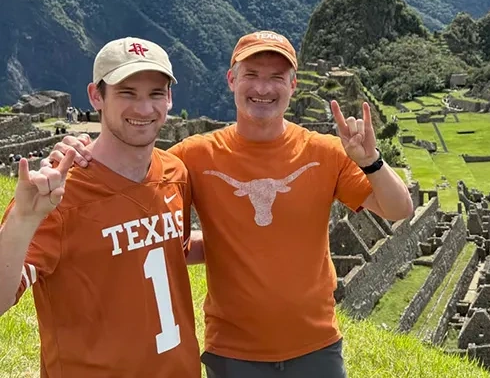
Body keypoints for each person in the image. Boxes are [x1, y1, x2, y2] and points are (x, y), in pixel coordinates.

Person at [53, 30, 415, 378]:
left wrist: (372, 162)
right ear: (231, 79)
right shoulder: (193, 158)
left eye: (276, 77)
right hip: (233, 352)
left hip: (317, 345)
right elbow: (138, 183)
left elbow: (398, 210)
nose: (262, 88)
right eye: (251, 75)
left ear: (293, 85)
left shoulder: (325, 153)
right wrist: (84, 154)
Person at [0, 37, 200, 377]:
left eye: (155, 94)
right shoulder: (61, 195)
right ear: (96, 96)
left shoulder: (175, 174)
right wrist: (22, 219)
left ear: (169, 99)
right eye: (127, 93)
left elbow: (171, 251)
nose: (143, 108)